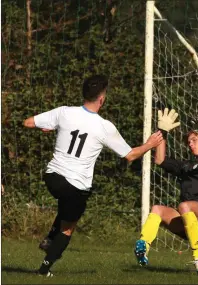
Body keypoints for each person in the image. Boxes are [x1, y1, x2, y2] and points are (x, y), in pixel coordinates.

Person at [23, 74, 164, 277]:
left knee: (67, 203)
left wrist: (48, 126)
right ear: (102, 99)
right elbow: (131, 155)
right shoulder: (104, 126)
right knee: (68, 228)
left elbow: (28, 122)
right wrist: (150, 144)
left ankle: (49, 239)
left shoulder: (64, 113)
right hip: (76, 186)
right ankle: (44, 269)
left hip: (52, 176)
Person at [134, 109, 198, 274]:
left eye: (194, 139)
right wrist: (162, 132)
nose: (190, 143)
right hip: (187, 221)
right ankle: (143, 248)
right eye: (189, 141)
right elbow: (160, 160)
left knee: (184, 206)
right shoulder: (186, 165)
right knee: (157, 209)